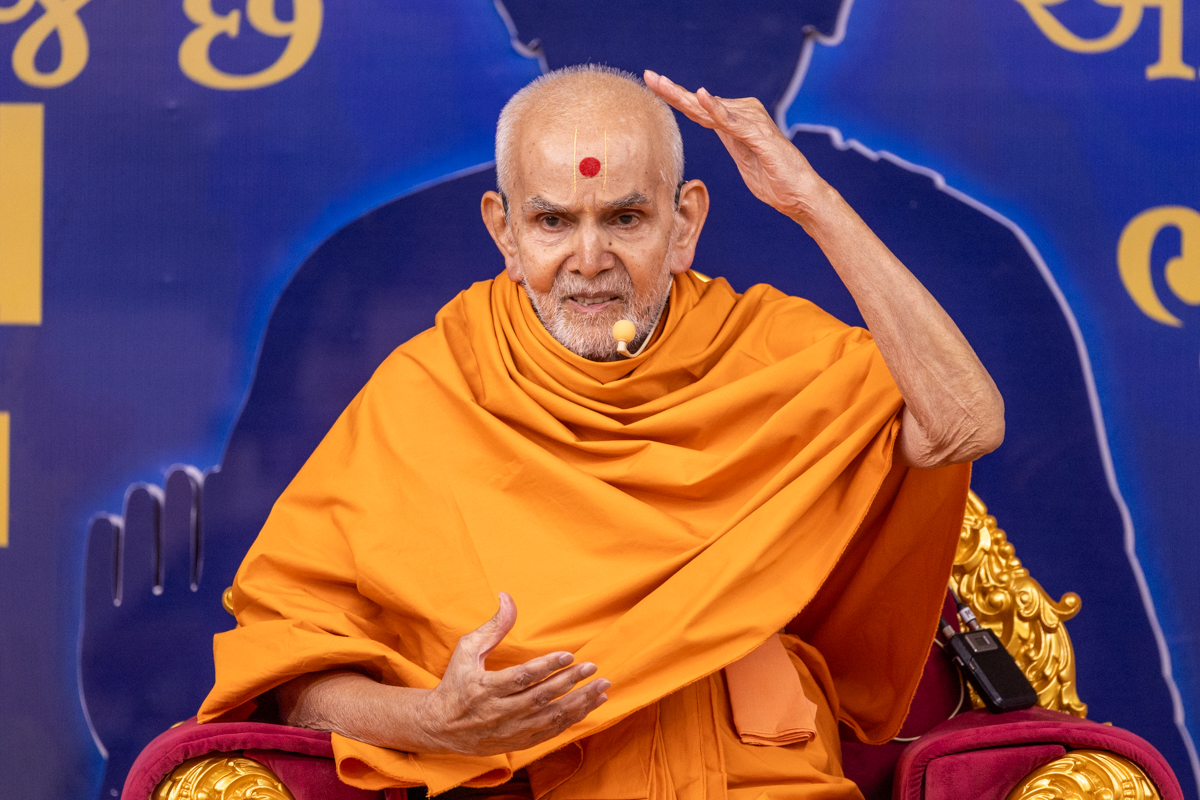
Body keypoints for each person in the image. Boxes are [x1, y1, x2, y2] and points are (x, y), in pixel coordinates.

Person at [197, 66, 1003, 800]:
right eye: (553, 221)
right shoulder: (431, 391)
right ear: (505, 233)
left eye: (625, 217)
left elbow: (963, 422)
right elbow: (294, 677)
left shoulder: (764, 354)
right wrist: (435, 722)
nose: (589, 259)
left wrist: (810, 202)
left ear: (684, 224)